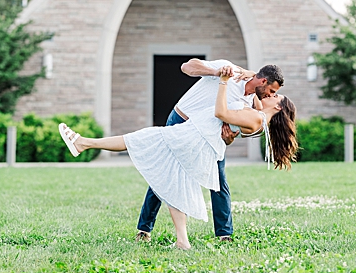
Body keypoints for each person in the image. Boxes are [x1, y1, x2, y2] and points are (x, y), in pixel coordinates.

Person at [59, 64, 297, 249]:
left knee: (139, 139)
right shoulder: (258, 114)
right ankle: (182, 241)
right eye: (273, 92)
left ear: (277, 108)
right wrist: (244, 74)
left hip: (191, 137)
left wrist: (224, 82)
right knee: (172, 181)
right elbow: (248, 102)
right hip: (193, 136)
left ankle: (83, 143)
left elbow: (221, 112)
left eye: (275, 96)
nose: (271, 96)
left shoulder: (257, 118)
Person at [135, 59, 284, 243]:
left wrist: (229, 139)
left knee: (219, 178)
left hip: (207, 134)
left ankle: (224, 234)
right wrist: (216, 73)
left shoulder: (252, 100)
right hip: (181, 121)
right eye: (272, 91)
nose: (271, 95)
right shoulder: (230, 71)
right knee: (166, 175)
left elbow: (236, 129)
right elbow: (186, 67)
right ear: (263, 82)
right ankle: (144, 229)